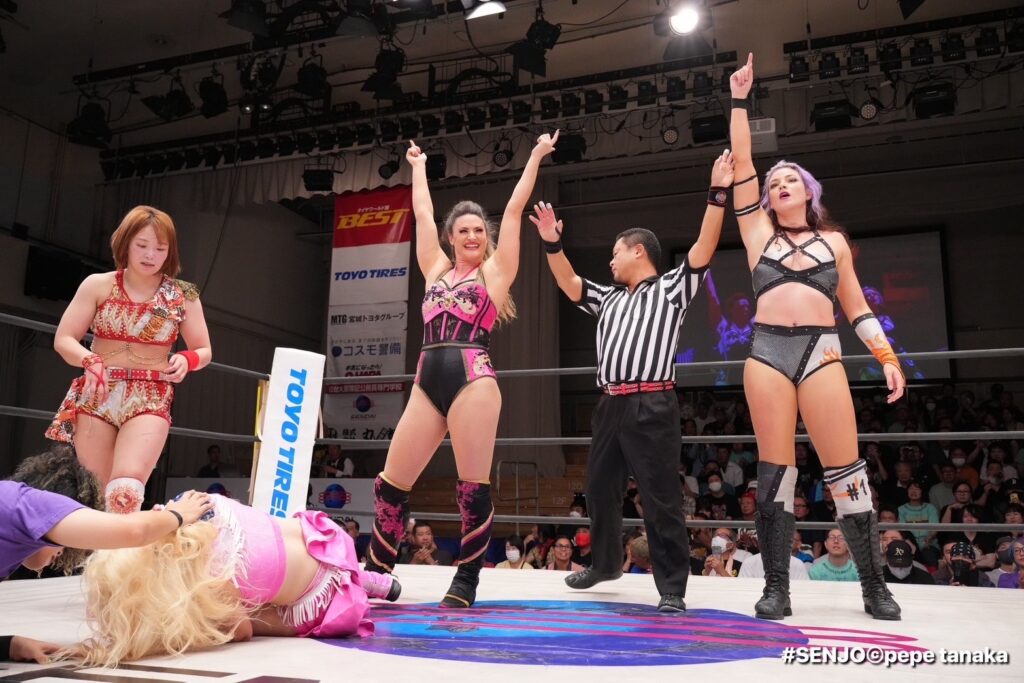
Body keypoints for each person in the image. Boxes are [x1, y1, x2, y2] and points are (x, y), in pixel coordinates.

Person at [729, 53, 906, 621]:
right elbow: (741, 164)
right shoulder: (757, 231)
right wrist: (739, 100)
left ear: (807, 192)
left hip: (822, 352)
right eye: (773, 183)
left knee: (846, 470)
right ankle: (776, 587)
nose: (779, 185)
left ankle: (874, 587)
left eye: (789, 181)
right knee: (774, 473)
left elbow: (856, 306)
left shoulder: (834, 243)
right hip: (767, 353)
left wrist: (886, 356)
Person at [363, 133, 559, 609]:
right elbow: (422, 215)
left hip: (474, 381)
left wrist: (535, 156)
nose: (473, 236)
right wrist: (417, 168)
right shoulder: (433, 268)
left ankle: (467, 579)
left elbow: (513, 210)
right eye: (464, 230)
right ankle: (377, 572)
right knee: (390, 483)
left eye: (478, 231)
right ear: (451, 237)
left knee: (472, 488)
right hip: (426, 383)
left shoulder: (496, 273)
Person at [533, 150, 734, 613]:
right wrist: (551, 243)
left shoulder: (671, 289)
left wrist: (717, 194)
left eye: (615, 253)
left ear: (638, 251)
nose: (611, 261)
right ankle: (606, 564)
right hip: (610, 404)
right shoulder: (608, 298)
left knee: (661, 498)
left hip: (652, 403)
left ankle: (672, 587)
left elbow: (703, 248)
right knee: (599, 490)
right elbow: (569, 283)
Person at [64, 493, 399, 669]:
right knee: (263, 563)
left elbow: (242, 630)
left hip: (324, 596)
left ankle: (359, 583)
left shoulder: (207, 584)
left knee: (244, 616)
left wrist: (200, 626)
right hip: (324, 537)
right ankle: (366, 579)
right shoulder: (193, 504)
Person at [46, 206, 212, 513]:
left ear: (170, 252)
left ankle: (122, 544)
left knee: (126, 491)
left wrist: (187, 359)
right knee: (94, 494)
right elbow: (64, 339)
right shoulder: (98, 284)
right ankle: (96, 547)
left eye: (160, 248)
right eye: (142, 245)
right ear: (125, 244)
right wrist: (89, 359)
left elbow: (204, 350)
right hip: (98, 392)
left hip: (150, 395)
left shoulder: (184, 294)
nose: (150, 255)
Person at [2, 446, 213, 662]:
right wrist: (176, 515)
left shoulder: (9, 544)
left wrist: (8, 645)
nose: (63, 550)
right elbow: (133, 531)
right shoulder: (28, 503)